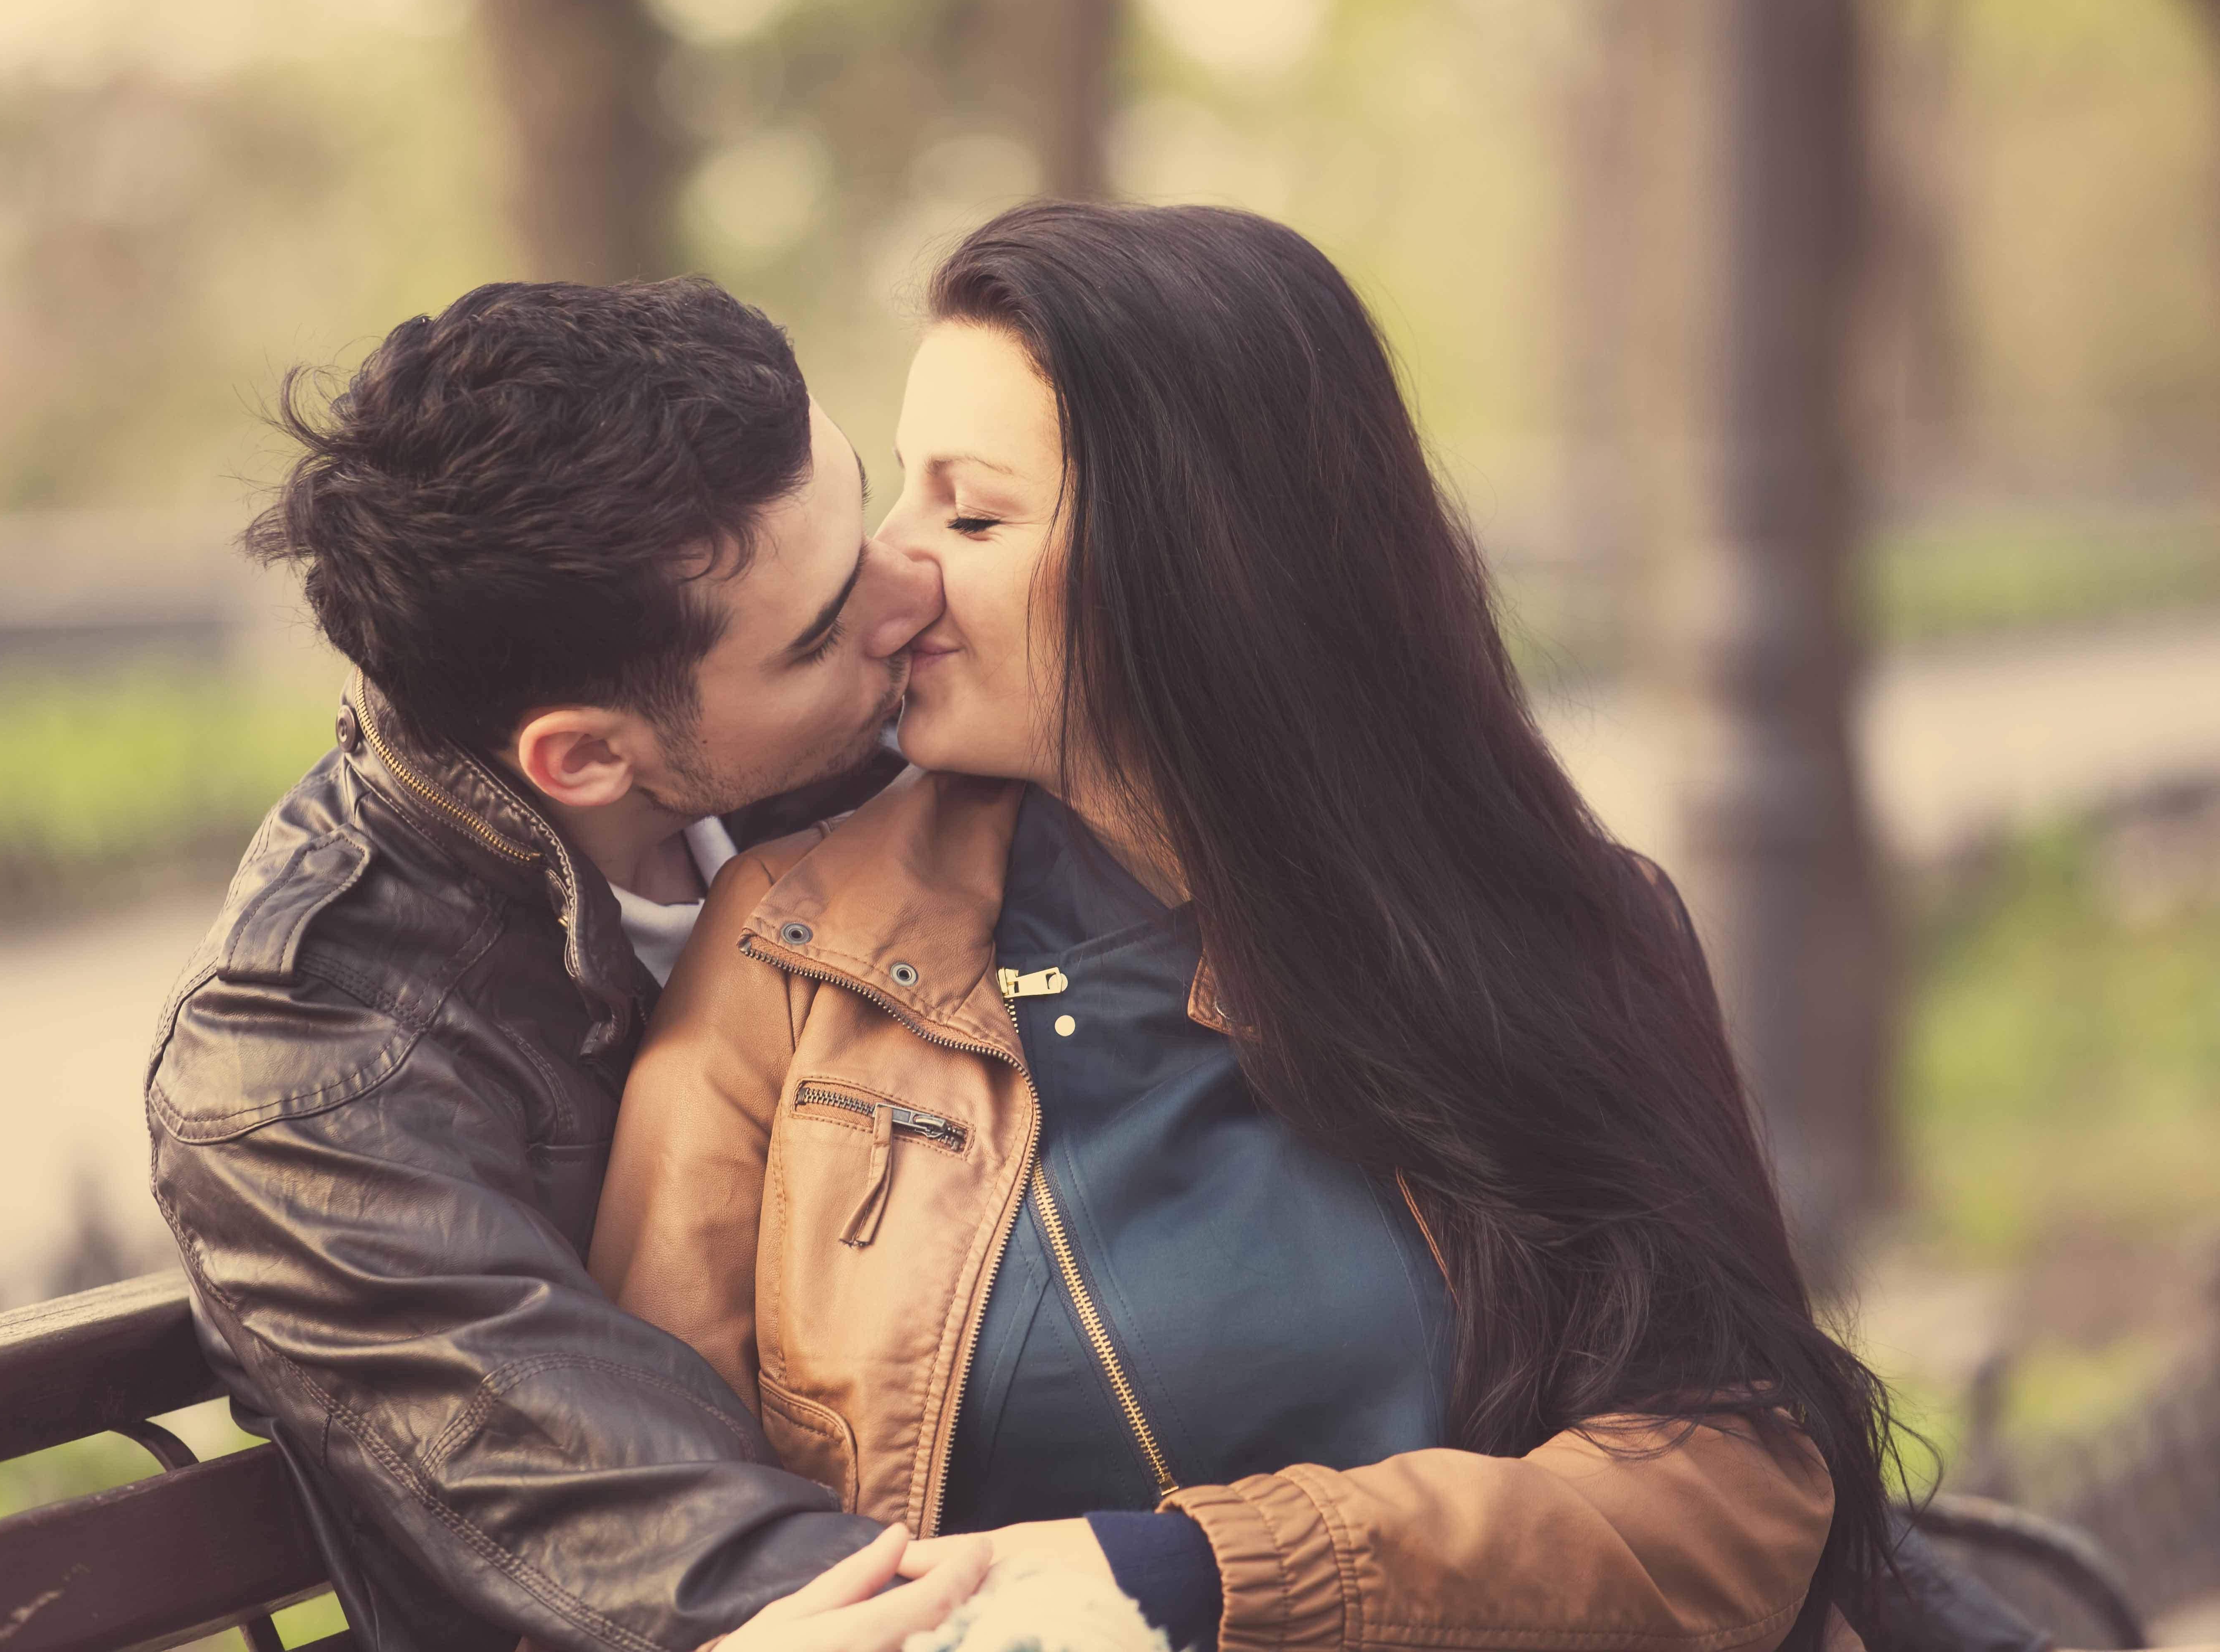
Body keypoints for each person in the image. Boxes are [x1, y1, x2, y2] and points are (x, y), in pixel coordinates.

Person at [589, 202, 1901, 1652]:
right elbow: (645, 1532)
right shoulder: (792, 953)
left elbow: (1738, 1478)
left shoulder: (1556, 926)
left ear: (1199, 561)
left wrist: (1202, 1579)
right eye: (903, 495)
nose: (890, 575)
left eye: (971, 515)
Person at [144, 278, 997, 1651]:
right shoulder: (313, 1077)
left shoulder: (873, 755)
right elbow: (722, 1573)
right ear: (588, 756)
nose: (918, 590)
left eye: (873, 500)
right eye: (829, 624)